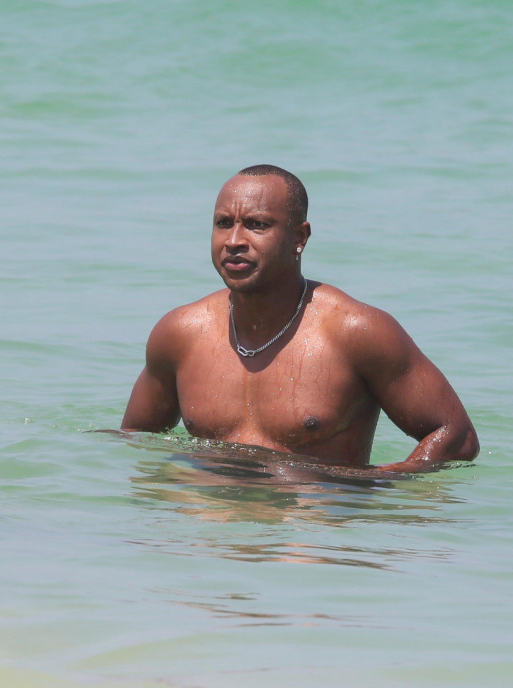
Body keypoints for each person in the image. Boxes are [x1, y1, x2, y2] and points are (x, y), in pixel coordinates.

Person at [121, 164, 478, 473]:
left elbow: (455, 436)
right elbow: (133, 441)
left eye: (256, 225)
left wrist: (374, 485)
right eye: (223, 223)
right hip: (212, 530)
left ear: (299, 237)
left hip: (312, 532)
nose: (234, 240)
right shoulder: (181, 333)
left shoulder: (356, 331)